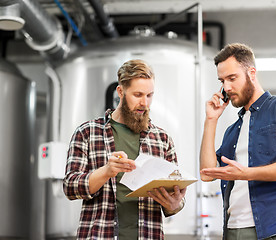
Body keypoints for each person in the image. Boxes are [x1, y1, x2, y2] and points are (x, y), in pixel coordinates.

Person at [200, 43, 276, 240]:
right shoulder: (232, 130)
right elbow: (207, 173)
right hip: (234, 229)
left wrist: (247, 174)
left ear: (251, 73)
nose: (227, 87)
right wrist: (211, 120)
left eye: (232, 78)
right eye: (222, 81)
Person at [63, 59, 186, 240]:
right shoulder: (87, 132)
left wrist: (175, 203)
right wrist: (106, 171)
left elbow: (175, 200)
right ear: (120, 92)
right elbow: (70, 187)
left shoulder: (162, 139)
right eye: (138, 95)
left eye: (149, 95)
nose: (144, 103)